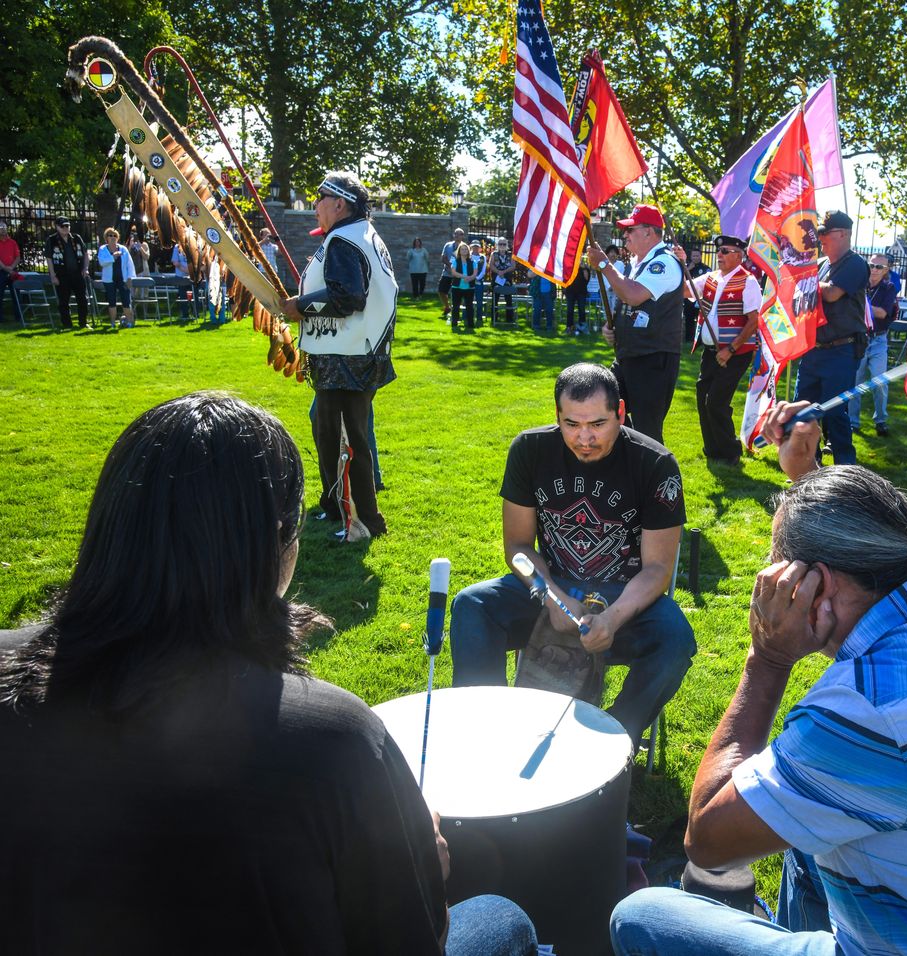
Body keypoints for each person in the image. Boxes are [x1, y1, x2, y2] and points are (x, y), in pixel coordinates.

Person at [0, 392, 538, 956]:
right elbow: (411, 940)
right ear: (277, 546)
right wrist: (423, 858)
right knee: (503, 920)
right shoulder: (331, 741)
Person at [610, 417, 907, 956]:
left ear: (817, 584)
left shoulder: (874, 709)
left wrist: (767, 661)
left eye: (776, 571)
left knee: (642, 916)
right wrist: (803, 475)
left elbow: (707, 837)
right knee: (801, 821)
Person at [450, 363, 695, 743]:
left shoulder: (655, 464)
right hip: (551, 586)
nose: (584, 438)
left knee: (675, 639)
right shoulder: (530, 450)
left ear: (621, 411)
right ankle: (487, 727)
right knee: (472, 606)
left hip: (625, 596)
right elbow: (517, 547)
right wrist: (551, 597)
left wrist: (611, 620)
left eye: (597, 424)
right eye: (571, 424)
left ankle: (615, 737)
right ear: (557, 416)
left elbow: (658, 569)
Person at [282, 171, 396, 539]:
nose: (314, 206)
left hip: (347, 358)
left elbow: (347, 298)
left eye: (318, 199)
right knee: (338, 434)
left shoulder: (345, 240)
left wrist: (301, 305)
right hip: (353, 354)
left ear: (339, 203)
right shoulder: (359, 235)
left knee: (346, 441)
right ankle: (338, 508)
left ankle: (361, 521)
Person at [586, 204, 685, 446]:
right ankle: (626, 461)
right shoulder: (638, 262)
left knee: (647, 432)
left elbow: (633, 295)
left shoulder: (664, 263)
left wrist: (603, 265)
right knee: (604, 406)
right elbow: (629, 304)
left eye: (631, 230)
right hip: (630, 356)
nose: (625, 235)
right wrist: (614, 328)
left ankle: (659, 481)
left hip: (653, 359)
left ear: (650, 232)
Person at [790, 210, 868, 465]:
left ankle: (847, 472)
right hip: (815, 348)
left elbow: (833, 293)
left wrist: (807, 280)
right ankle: (808, 468)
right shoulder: (822, 265)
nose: (820, 237)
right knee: (803, 410)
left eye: (825, 232)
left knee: (834, 412)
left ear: (844, 234)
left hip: (841, 350)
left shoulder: (855, 263)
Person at [685, 234, 762, 464]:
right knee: (702, 396)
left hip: (735, 353)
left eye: (726, 251)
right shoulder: (710, 278)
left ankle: (730, 451)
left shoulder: (748, 281)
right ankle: (712, 449)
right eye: (719, 251)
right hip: (711, 351)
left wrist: (731, 348)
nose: (720, 255)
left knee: (716, 401)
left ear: (740, 255)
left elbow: (753, 321)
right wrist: (681, 264)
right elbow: (684, 291)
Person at [848, 252, 898, 437]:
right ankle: (853, 421)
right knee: (855, 381)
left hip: (878, 339)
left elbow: (882, 313)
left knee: (880, 381)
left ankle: (881, 420)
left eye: (879, 267)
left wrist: (860, 302)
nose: (874, 270)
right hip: (859, 338)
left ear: (887, 270)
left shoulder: (889, 288)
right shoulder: (859, 283)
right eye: (871, 265)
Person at [46, 217, 90, 330]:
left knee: (82, 299)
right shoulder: (51, 240)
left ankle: (83, 323)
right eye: (63, 226)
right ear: (56, 227)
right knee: (63, 301)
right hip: (62, 275)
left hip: (77, 274)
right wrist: (52, 275)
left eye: (67, 226)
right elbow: (49, 258)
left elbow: (85, 254)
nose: (66, 228)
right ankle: (67, 324)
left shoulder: (76, 238)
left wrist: (85, 268)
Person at [97, 228, 136, 329]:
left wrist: (130, 278)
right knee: (112, 302)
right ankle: (113, 323)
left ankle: (130, 323)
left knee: (126, 301)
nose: (113, 237)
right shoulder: (103, 249)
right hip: (109, 280)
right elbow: (102, 262)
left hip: (123, 279)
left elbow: (129, 264)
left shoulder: (123, 249)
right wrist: (112, 257)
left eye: (115, 235)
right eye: (110, 235)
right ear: (106, 238)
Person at [682, 248, 711, 345]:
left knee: (701, 318)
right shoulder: (686, 267)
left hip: (700, 299)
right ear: (690, 257)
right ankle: (689, 338)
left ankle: (700, 339)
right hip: (688, 298)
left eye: (697, 255)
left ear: (701, 256)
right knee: (689, 318)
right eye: (693, 256)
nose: (695, 257)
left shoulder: (706, 268)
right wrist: (688, 269)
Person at [439, 227, 466, 319]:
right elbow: (443, 258)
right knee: (441, 291)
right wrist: (450, 266)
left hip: (458, 274)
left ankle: (457, 309)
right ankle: (447, 307)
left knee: (458, 293)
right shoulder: (448, 245)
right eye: (455, 233)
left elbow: (466, 260)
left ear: (462, 236)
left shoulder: (465, 247)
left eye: (459, 234)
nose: (457, 236)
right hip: (447, 272)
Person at [449, 241, 476, 331]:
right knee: (455, 306)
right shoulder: (455, 261)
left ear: (468, 251)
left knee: (469, 306)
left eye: (465, 249)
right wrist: (464, 276)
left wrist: (470, 278)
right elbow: (453, 272)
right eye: (462, 249)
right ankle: (454, 323)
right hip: (457, 287)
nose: (464, 251)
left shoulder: (473, 262)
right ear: (459, 251)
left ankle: (470, 324)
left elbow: (475, 274)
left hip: (469, 288)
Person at [489, 237, 516, 324]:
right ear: (497, 245)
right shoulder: (494, 254)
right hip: (496, 278)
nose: (502, 246)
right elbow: (491, 265)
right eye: (500, 244)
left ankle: (509, 319)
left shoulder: (510, 254)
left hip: (507, 278)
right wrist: (498, 272)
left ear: (507, 245)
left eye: (504, 244)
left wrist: (504, 271)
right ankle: (494, 318)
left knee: (508, 299)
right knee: (495, 298)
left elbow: (513, 266)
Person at [0, 222, 22, 324]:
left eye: (4, 227)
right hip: (1, 272)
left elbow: (18, 257)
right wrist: (5, 267)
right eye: (0, 228)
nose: (2, 229)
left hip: (13, 271)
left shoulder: (13, 242)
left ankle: (18, 317)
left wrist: (11, 267)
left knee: (16, 294)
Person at [171, 241, 196, 320]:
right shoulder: (177, 247)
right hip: (180, 277)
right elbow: (175, 262)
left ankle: (195, 314)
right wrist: (185, 270)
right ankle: (185, 314)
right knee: (183, 296)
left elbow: (196, 260)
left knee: (194, 296)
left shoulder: (193, 244)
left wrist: (190, 271)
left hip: (192, 277)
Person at [469, 241, 488, 320]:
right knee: (468, 300)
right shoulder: (468, 256)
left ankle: (479, 317)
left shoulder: (483, 257)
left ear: (479, 248)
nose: (475, 248)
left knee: (479, 300)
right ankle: (467, 316)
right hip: (469, 280)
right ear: (471, 247)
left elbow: (483, 270)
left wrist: (477, 278)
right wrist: (471, 278)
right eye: (474, 246)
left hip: (479, 281)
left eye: (477, 247)